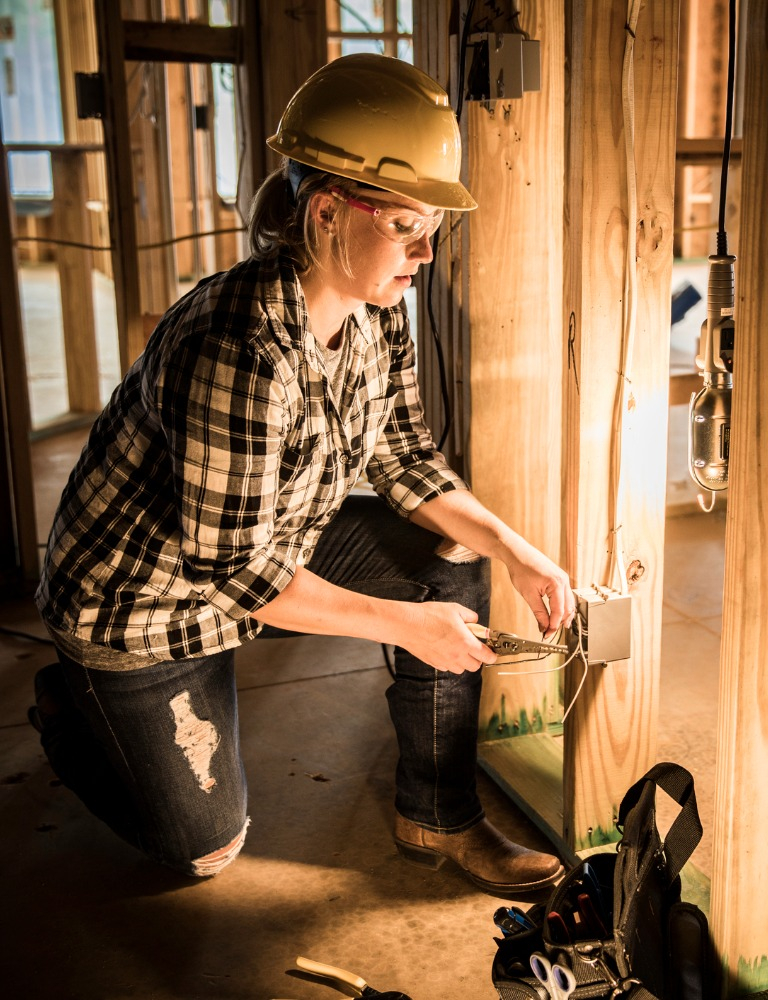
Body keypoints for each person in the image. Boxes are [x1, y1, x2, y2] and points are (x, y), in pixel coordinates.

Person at [32, 53, 575, 895]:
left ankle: (437, 812)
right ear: (327, 212)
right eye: (405, 226)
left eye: (434, 228)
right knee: (202, 851)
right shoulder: (239, 344)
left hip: (268, 551)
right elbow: (234, 570)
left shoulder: (374, 305)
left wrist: (514, 548)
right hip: (144, 606)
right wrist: (403, 624)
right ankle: (78, 714)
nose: (425, 253)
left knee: (451, 562)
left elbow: (403, 455)